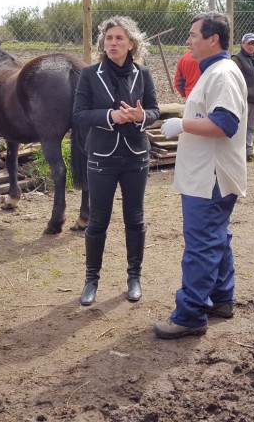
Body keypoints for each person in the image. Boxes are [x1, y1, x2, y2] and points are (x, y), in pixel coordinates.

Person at [154, 12, 247, 339]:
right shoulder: (215, 72)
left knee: (201, 244)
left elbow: (225, 124)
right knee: (216, 237)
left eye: (194, 35)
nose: (189, 40)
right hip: (208, 174)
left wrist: (182, 125)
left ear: (213, 39)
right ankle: (222, 297)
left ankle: (191, 314)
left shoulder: (221, 74)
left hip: (210, 178)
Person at [73, 16, 160, 305]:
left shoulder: (143, 74)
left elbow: (155, 111)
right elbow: (79, 114)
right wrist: (110, 116)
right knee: (97, 221)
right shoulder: (89, 74)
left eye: (119, 38)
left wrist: (141, 116)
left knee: (135, 219)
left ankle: (134, 277)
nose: (113, 43)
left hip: (135, 156)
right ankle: (91, 280)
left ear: (131, 43)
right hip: (101, 157)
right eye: (108, 38)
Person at [232, 32, 254, 161]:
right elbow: (233, 80)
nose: (251, 46)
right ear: (242, 44)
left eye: (253, 43)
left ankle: (248, 152)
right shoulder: (237, 59)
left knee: (251, 127)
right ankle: (238, 153)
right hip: (243, 100)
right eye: (248, 43)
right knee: (241, 127)